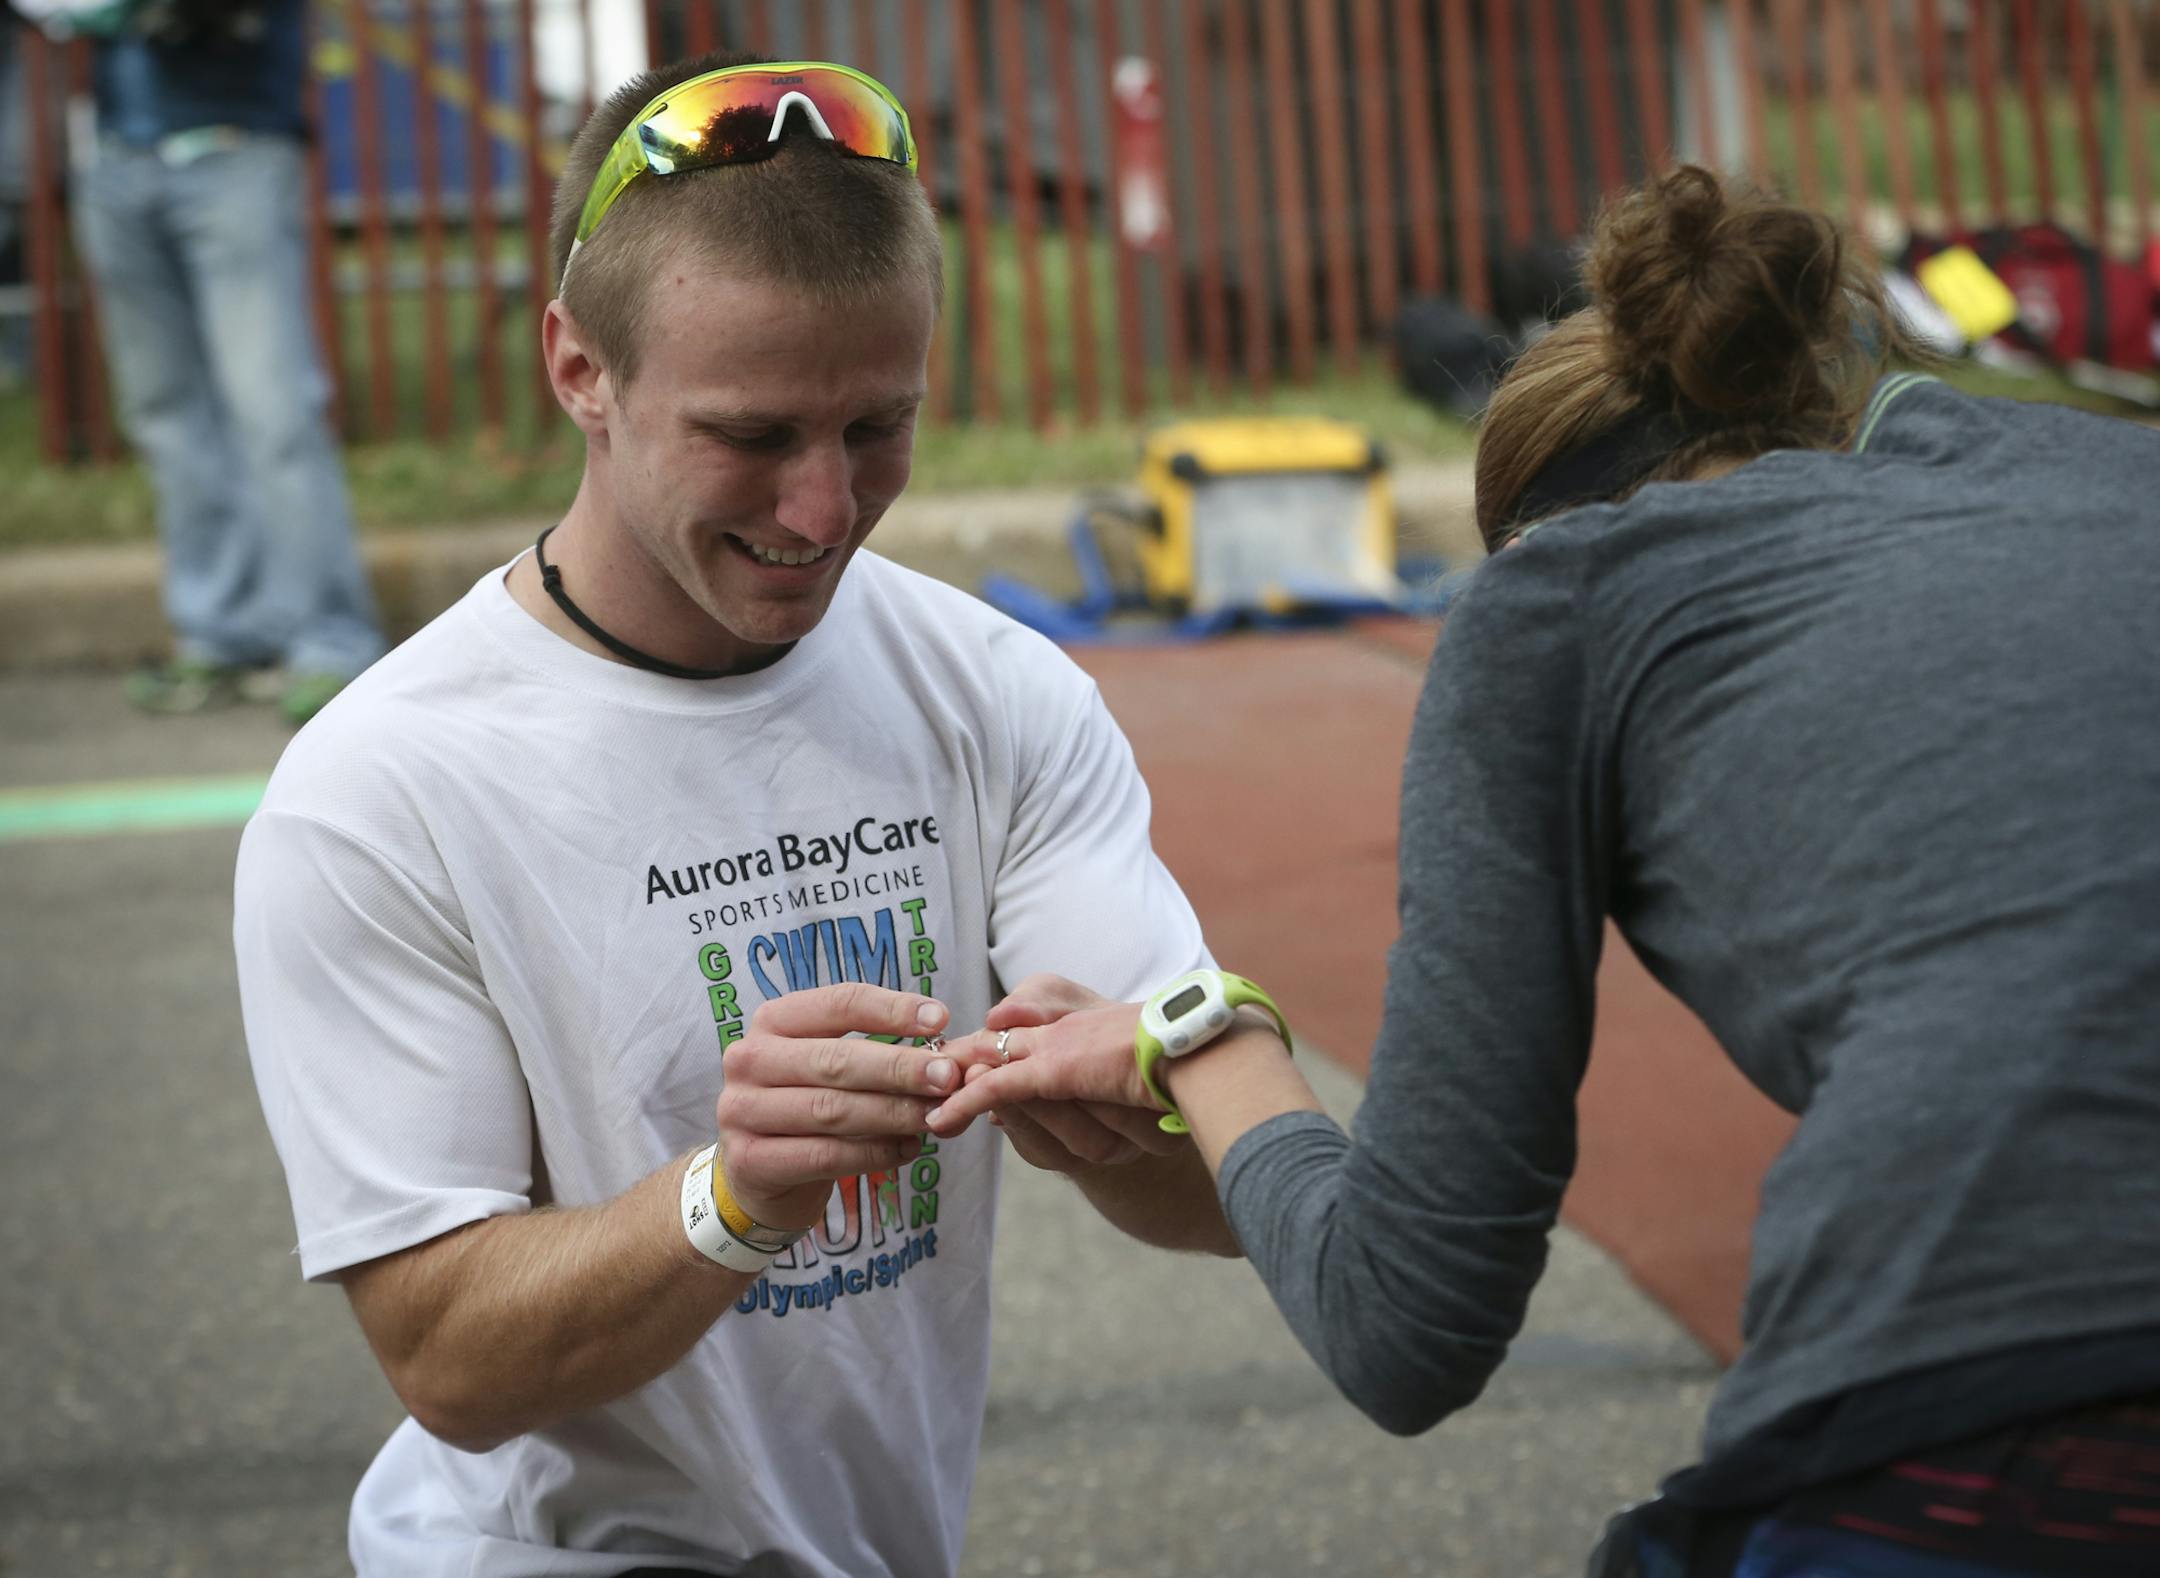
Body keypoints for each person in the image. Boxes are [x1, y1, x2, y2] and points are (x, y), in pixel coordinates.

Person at [926, 165, 2160, 1577]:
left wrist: (1202, 1038)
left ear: (1555, 524)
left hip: (1996, 1409)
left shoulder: (1559, 601)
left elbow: (1407, 1324)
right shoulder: (2116, 471)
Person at [233, 53, 1234, 1578]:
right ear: (580, 368)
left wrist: (1139, 1110)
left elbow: (1214, 1196)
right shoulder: (380, 789)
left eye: (878, 427)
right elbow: (448, 1358)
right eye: (754, 435)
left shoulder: (996, 691)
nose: (824, 510)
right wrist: (733, 1194)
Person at [63, 0, 382, 721]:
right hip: (115, 158)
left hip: (236, 148)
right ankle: (219, 635)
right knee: (165, 414)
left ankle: (330, 641)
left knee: (273, 409)